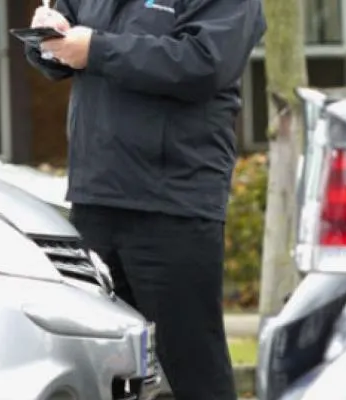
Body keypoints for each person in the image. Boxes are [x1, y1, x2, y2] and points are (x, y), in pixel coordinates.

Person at [24, 0, 264, 399]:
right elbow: (60, 50)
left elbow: (204, 63)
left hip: (173, 202)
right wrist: (46, 36)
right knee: (103, 362)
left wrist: (97, 49)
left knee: (189, 363)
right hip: (95, 196)